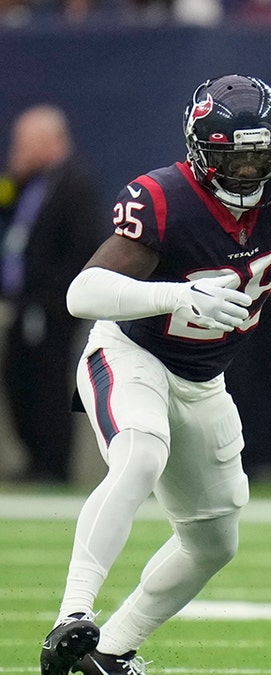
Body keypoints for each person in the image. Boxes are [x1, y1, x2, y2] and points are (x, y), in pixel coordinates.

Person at [39, 73, 271, 675]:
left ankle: (107, 651)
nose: (245, 172)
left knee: (214, 542)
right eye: (229, 159)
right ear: (197, 149)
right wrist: (174, 298)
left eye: (257, 157)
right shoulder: (165, 197)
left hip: (204, 377)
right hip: (133, 353)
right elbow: (81, 294)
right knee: (140, 455)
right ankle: (72, 617)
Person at [1, 104, 105, 483]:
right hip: (24, 302)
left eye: (26, 142)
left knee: (46, 382)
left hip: (50, 306)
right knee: (19, 379)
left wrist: (55, 295)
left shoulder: (74, 184)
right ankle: (35, 458)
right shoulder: (31, 184)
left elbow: (83, 245)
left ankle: (51, 464)